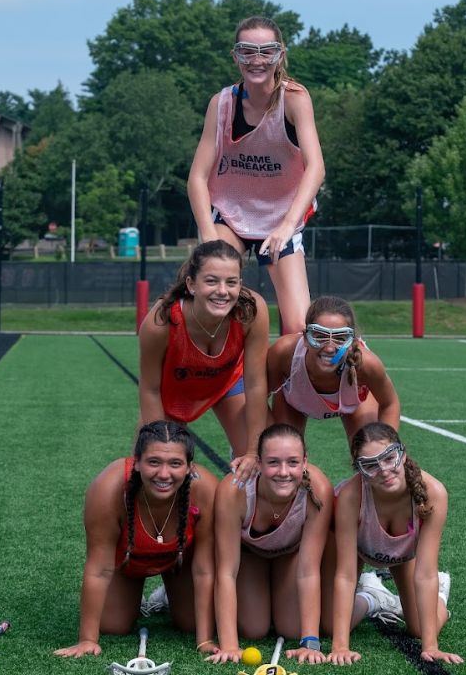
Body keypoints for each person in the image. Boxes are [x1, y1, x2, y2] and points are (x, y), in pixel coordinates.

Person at [187, 15, 325, 335]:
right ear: (236, 56)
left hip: (280, 220)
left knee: (297, 330)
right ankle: (220, 381)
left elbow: (316, 167)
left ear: (281, 54)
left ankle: (283, 384)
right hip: (231, 216)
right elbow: (197, 177)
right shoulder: (220, 104)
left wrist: (287, 226)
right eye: (247, 51)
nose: (257, 59)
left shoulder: (295, 100)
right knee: (209, 304)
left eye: (267, 50)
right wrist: (208, 235)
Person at [53, 421, 220, 658]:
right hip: (126, 563)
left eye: (175, 463)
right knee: (114, 626)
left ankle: (166, 592)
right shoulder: (108, 488)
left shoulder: (205, 489)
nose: (164, 474)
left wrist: (204, 640)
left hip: (181, 563)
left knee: (191, 625)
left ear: (189, 467)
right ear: (137, 463)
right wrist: (87, 640)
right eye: (154, 462)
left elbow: (204, 570)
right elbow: (98, 569)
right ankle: (131, 596)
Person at [322, 422, 463, 666]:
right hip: (357, 550)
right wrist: (340, 646)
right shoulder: (350, 497)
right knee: (328, 625)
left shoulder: (433, 493)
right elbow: (345, 575)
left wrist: (430, 647)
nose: (384, 470)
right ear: (361, 470)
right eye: (370, 465)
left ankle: (439, 594)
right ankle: (373, 598)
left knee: (419, 628)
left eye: (389, 458)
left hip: (402, 556)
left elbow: (426, 572)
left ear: (403, 454)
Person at [138, 239, 270, 485]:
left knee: (265, 465)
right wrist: (163, 446)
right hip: (172, 394)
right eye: (211, 281)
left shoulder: (252, 310)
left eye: (231, 282)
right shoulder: (162, 320)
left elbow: (254, 384)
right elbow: (149, 389)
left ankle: (241, 454)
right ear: (191, 284)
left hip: (226, 384)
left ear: (240, 284)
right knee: (160, 473)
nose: (222, 291)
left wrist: (252, 451)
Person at [205, 424, 334, 665]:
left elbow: (308, 571)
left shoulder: (318, 489)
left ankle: (371, 595)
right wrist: (230, 646)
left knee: (294, 629)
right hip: (250, 557)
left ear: (305, 462)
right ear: (259, 463)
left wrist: (310, 642)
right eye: (273, 462)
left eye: (293, 462)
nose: (283, 472)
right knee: (254, 629)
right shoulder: (235, 491)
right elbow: (226, 572)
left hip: (291, 556)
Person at [268, 295, 400, 446]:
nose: (330, 348)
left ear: (353, 342)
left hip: (354, 400)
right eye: (320, 336)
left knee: (370, 451)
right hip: (293, 402)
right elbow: (257, 397)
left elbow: (390, 403)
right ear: (305, 337)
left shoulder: (365, 365)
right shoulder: (284, 353)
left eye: (340, 338)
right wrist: (255, 448)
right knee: (281, 450)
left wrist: (387, 448)